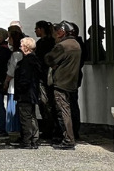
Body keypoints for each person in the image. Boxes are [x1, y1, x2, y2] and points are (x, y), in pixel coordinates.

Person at [45, 21, 82, 150]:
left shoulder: (62, 46)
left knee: (63, 111)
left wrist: (53, 64)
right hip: (72, 81)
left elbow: (48, 58)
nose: (55, 34)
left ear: (62, 32)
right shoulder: (76, 44)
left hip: (61, 82)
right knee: (70, 110)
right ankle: (71, 136)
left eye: (57, 31)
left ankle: (68, 139)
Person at [12, 37, 43, 149]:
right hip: (32, 92)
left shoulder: (26, 62)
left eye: (21, 45)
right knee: (32, 116)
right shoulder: (35, 60)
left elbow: (24, 79)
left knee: (25, 117)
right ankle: (34, 139)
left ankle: (27, 141)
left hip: (25, 93)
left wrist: (20, 90)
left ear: (26, 47)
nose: (20, 47)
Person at [33, 20, 58, 142]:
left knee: (46, 102)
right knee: (47, 102)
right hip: (45, 75)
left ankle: (49, 128)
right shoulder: (48, 42)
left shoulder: (44, 43)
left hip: (45, 76)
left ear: (41, 29)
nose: (35, 31)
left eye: (36, 28)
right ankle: (51, 127)